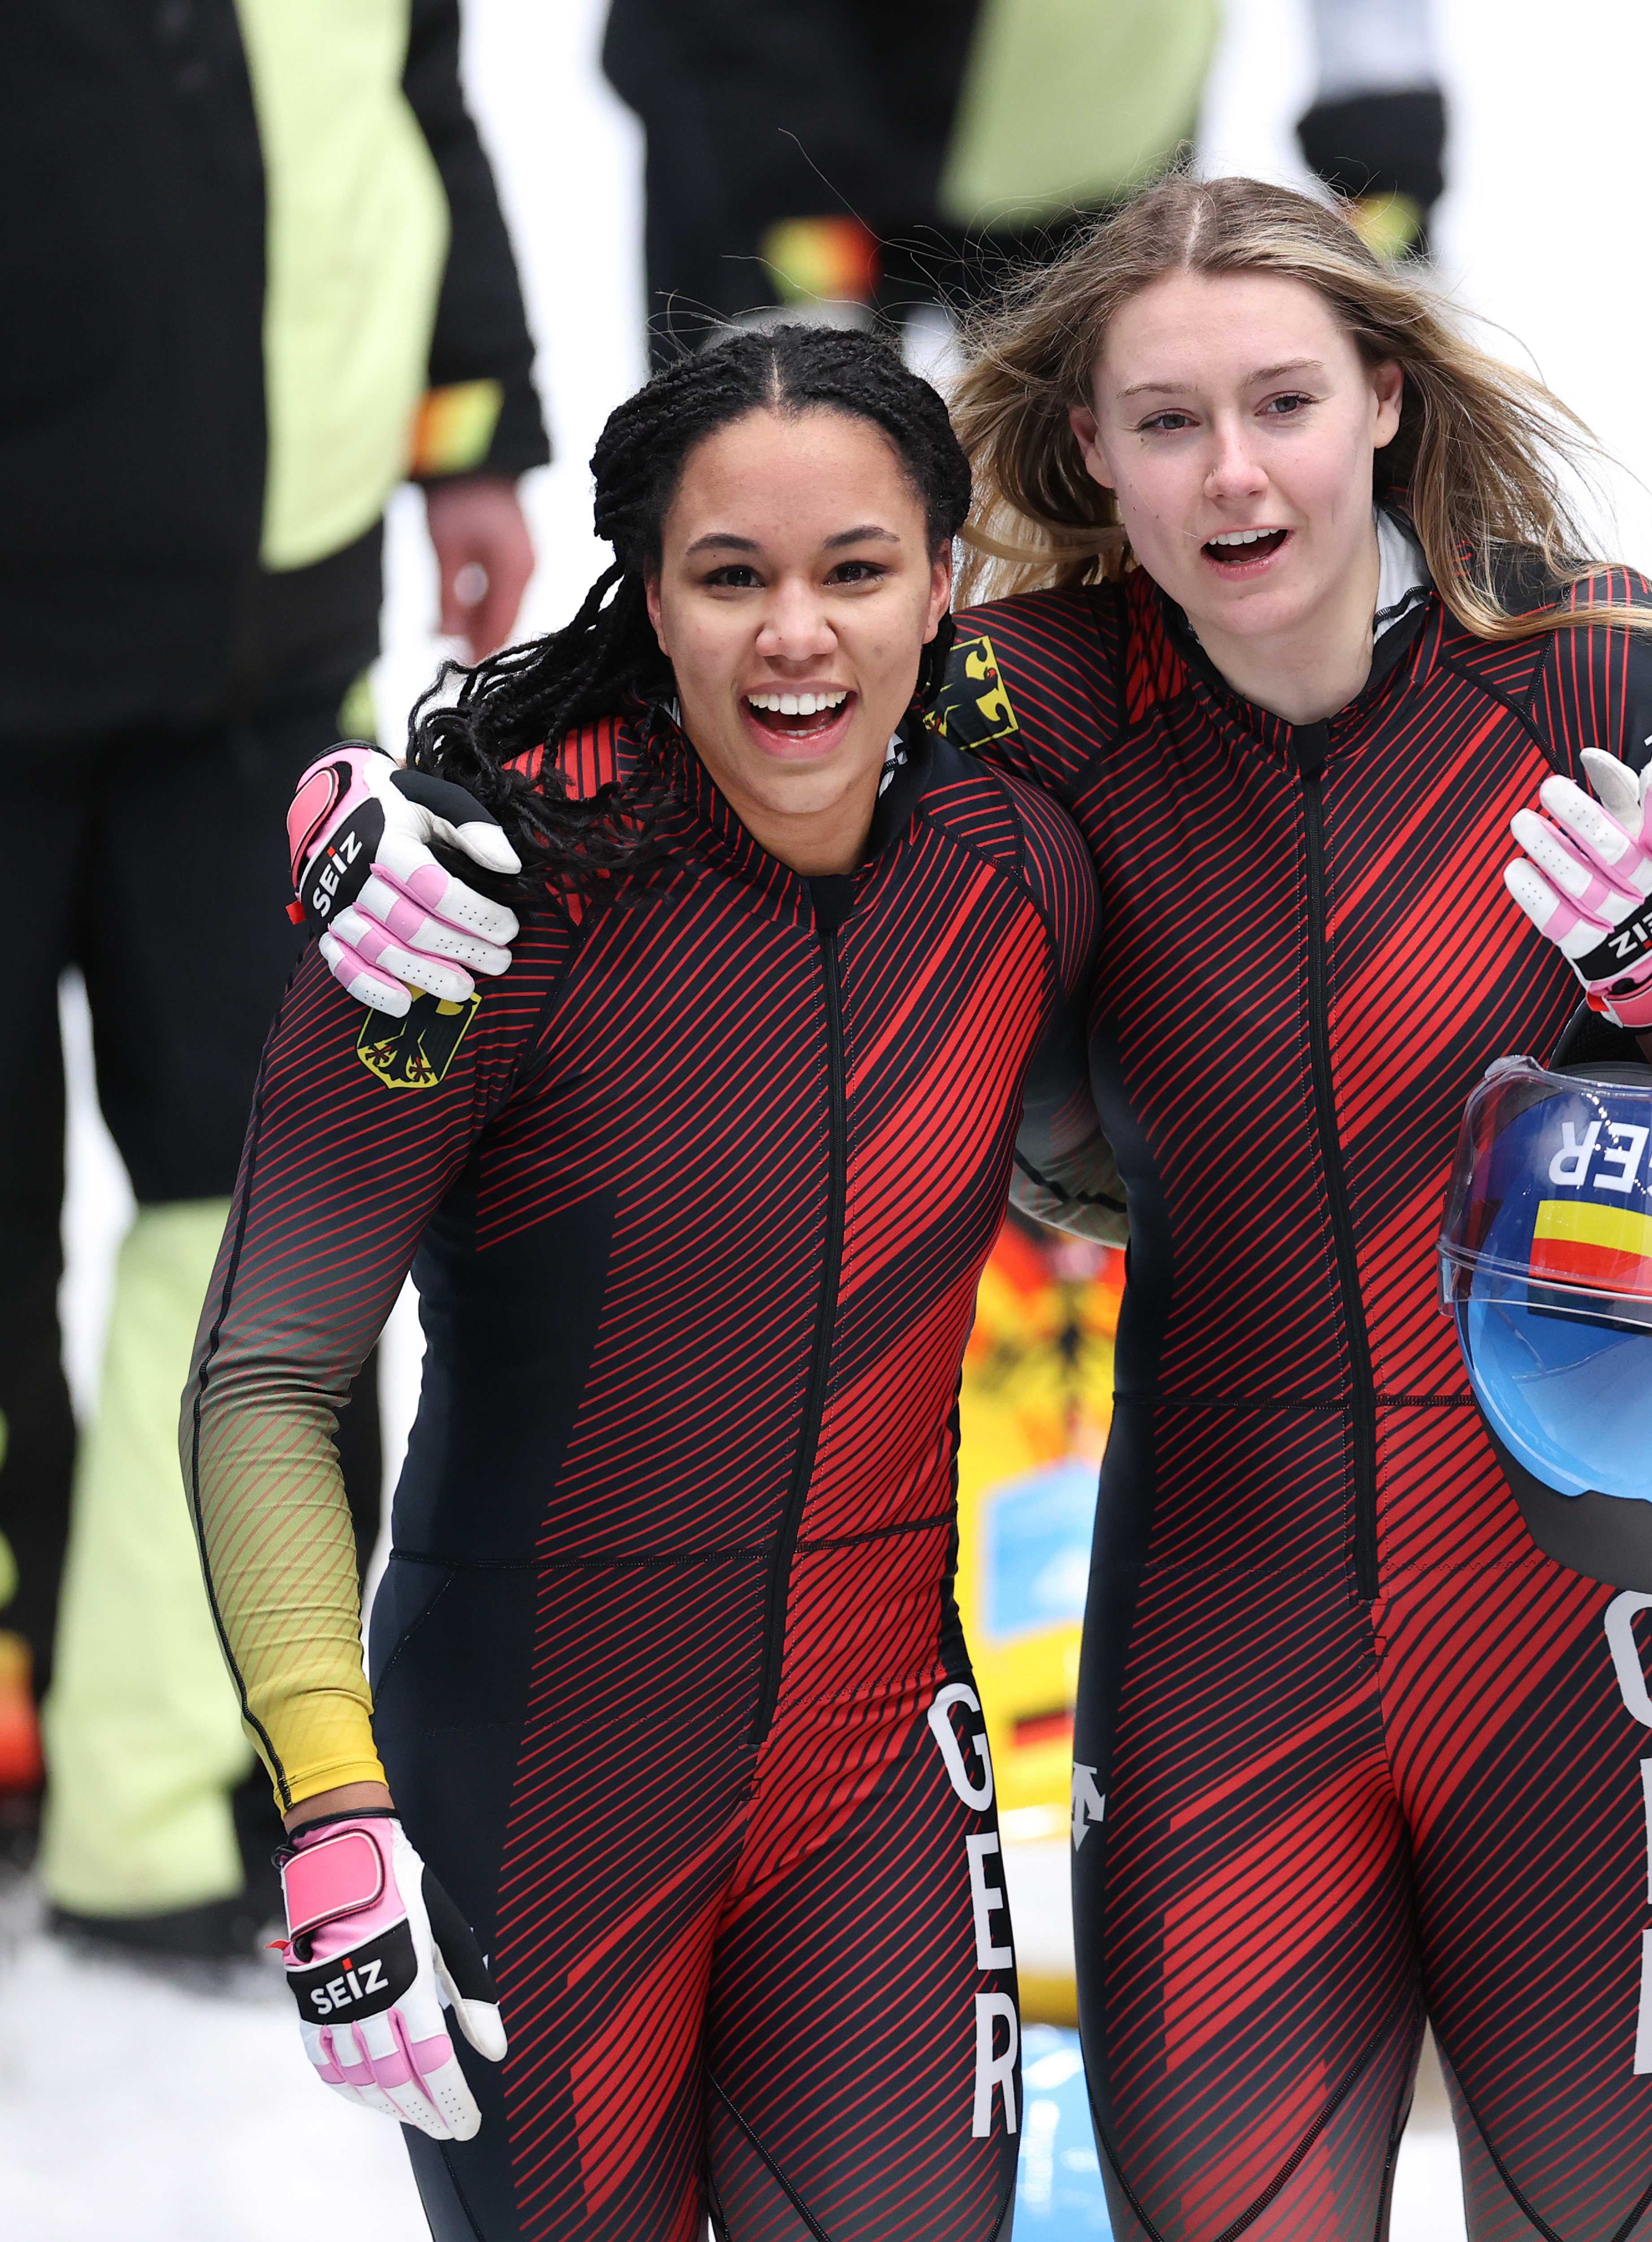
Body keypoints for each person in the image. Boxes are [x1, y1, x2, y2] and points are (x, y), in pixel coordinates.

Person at [280, 176, 1652, 2239]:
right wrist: (379, 812)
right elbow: (713, 707)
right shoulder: (1039, 702)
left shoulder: (1610, 683)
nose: (1232, 470)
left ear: (1381, 394)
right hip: (1224, 1638)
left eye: (1279, 400)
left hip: (1600, 1640)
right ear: (1084, 448)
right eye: (1165, 419)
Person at [185, 325, 1096, 2241]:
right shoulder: (466, 902)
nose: (797, 636)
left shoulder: (1018, 858)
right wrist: (334, 1801)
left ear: (945, 587)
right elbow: (270, 1373)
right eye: (730, 576)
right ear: (647, 593)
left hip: (874, 1769)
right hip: (530, 1775)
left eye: (854, 571)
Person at [2, 0, 546, 1955]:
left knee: (264, 1208)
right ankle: (20, 1724)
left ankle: (192, 1792)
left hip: (258, 641)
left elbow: (411, 105)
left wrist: (470, 430)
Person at [601, 0, 1447, 349]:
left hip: (1095, 169)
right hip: (789, 156)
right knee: (773, 496)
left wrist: (1387, 209)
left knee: (1102, 546)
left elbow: (1373, 33)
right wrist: (793, 245)